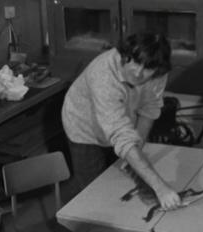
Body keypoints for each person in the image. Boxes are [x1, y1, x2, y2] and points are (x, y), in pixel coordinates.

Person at [61, 32, 181, 210]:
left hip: (119, 119)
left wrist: (137, 148)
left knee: (117, 177)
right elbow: (120, 135)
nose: (139, 73)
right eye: (135, 62)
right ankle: (82, 223)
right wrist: (160, 187)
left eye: (147, 68)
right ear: (125, 55)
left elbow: (149, 110)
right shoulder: (103, 74)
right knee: (93, 190)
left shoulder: (157, 71)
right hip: (84, 127)